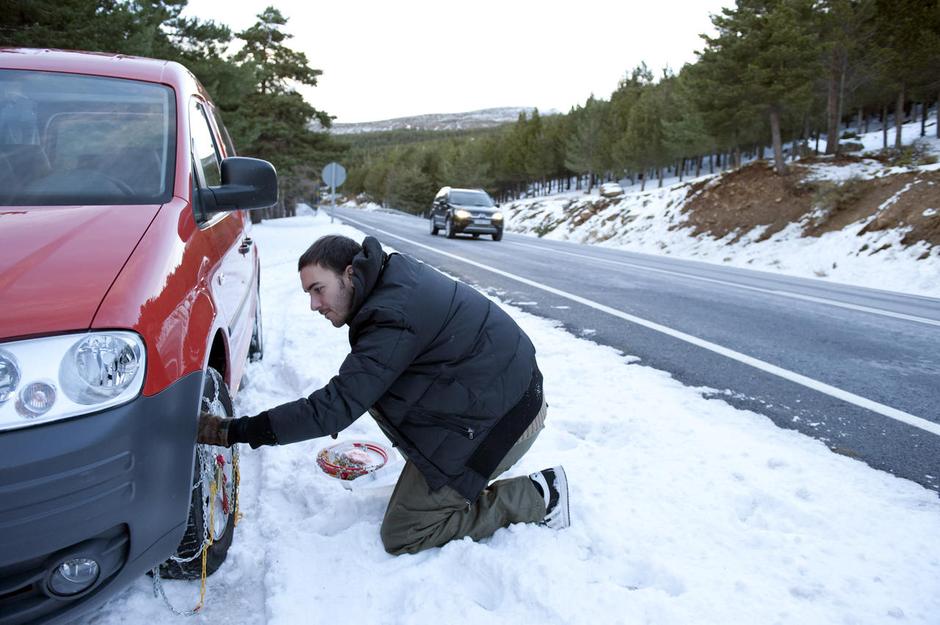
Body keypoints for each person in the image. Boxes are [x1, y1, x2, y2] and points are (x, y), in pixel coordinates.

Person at [198, 234, 569, 555]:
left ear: (349, 273)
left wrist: (235, 431)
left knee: (404, 532)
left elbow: (334, 408)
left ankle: (540, 495)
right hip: (498, 395)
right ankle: (453, 479)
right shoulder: (391, 282)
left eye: (317, 289)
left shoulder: (392, 316)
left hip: (507, 420)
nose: (314, 305)